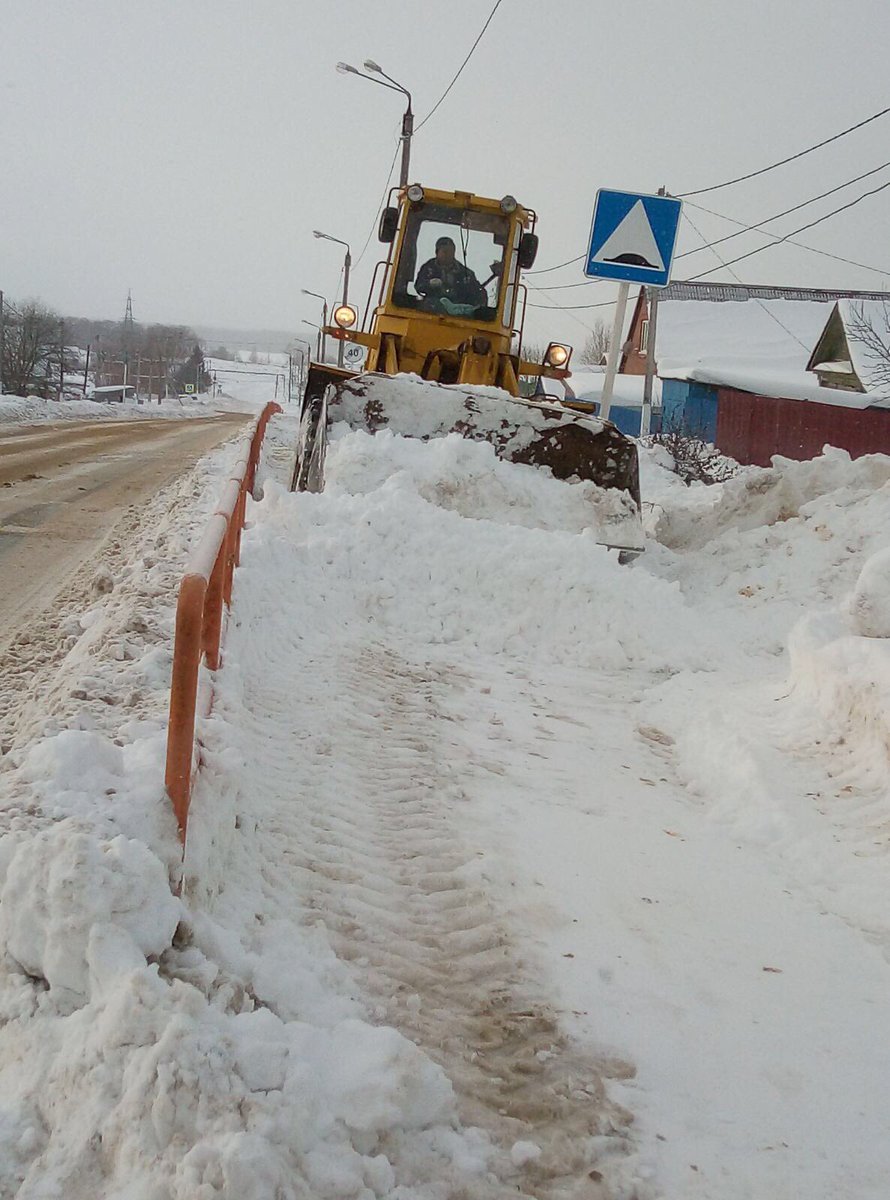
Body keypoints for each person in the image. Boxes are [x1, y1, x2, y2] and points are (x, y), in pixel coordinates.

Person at [415, 237, 485, 308]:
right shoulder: (428, 268)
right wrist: (429, 284)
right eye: (445, 252)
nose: (448, 255)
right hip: (431, 310)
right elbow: (419, 285)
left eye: (451, 252)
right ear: (437, 252)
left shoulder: (465, 274)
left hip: (457, 313)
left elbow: (477, 293)